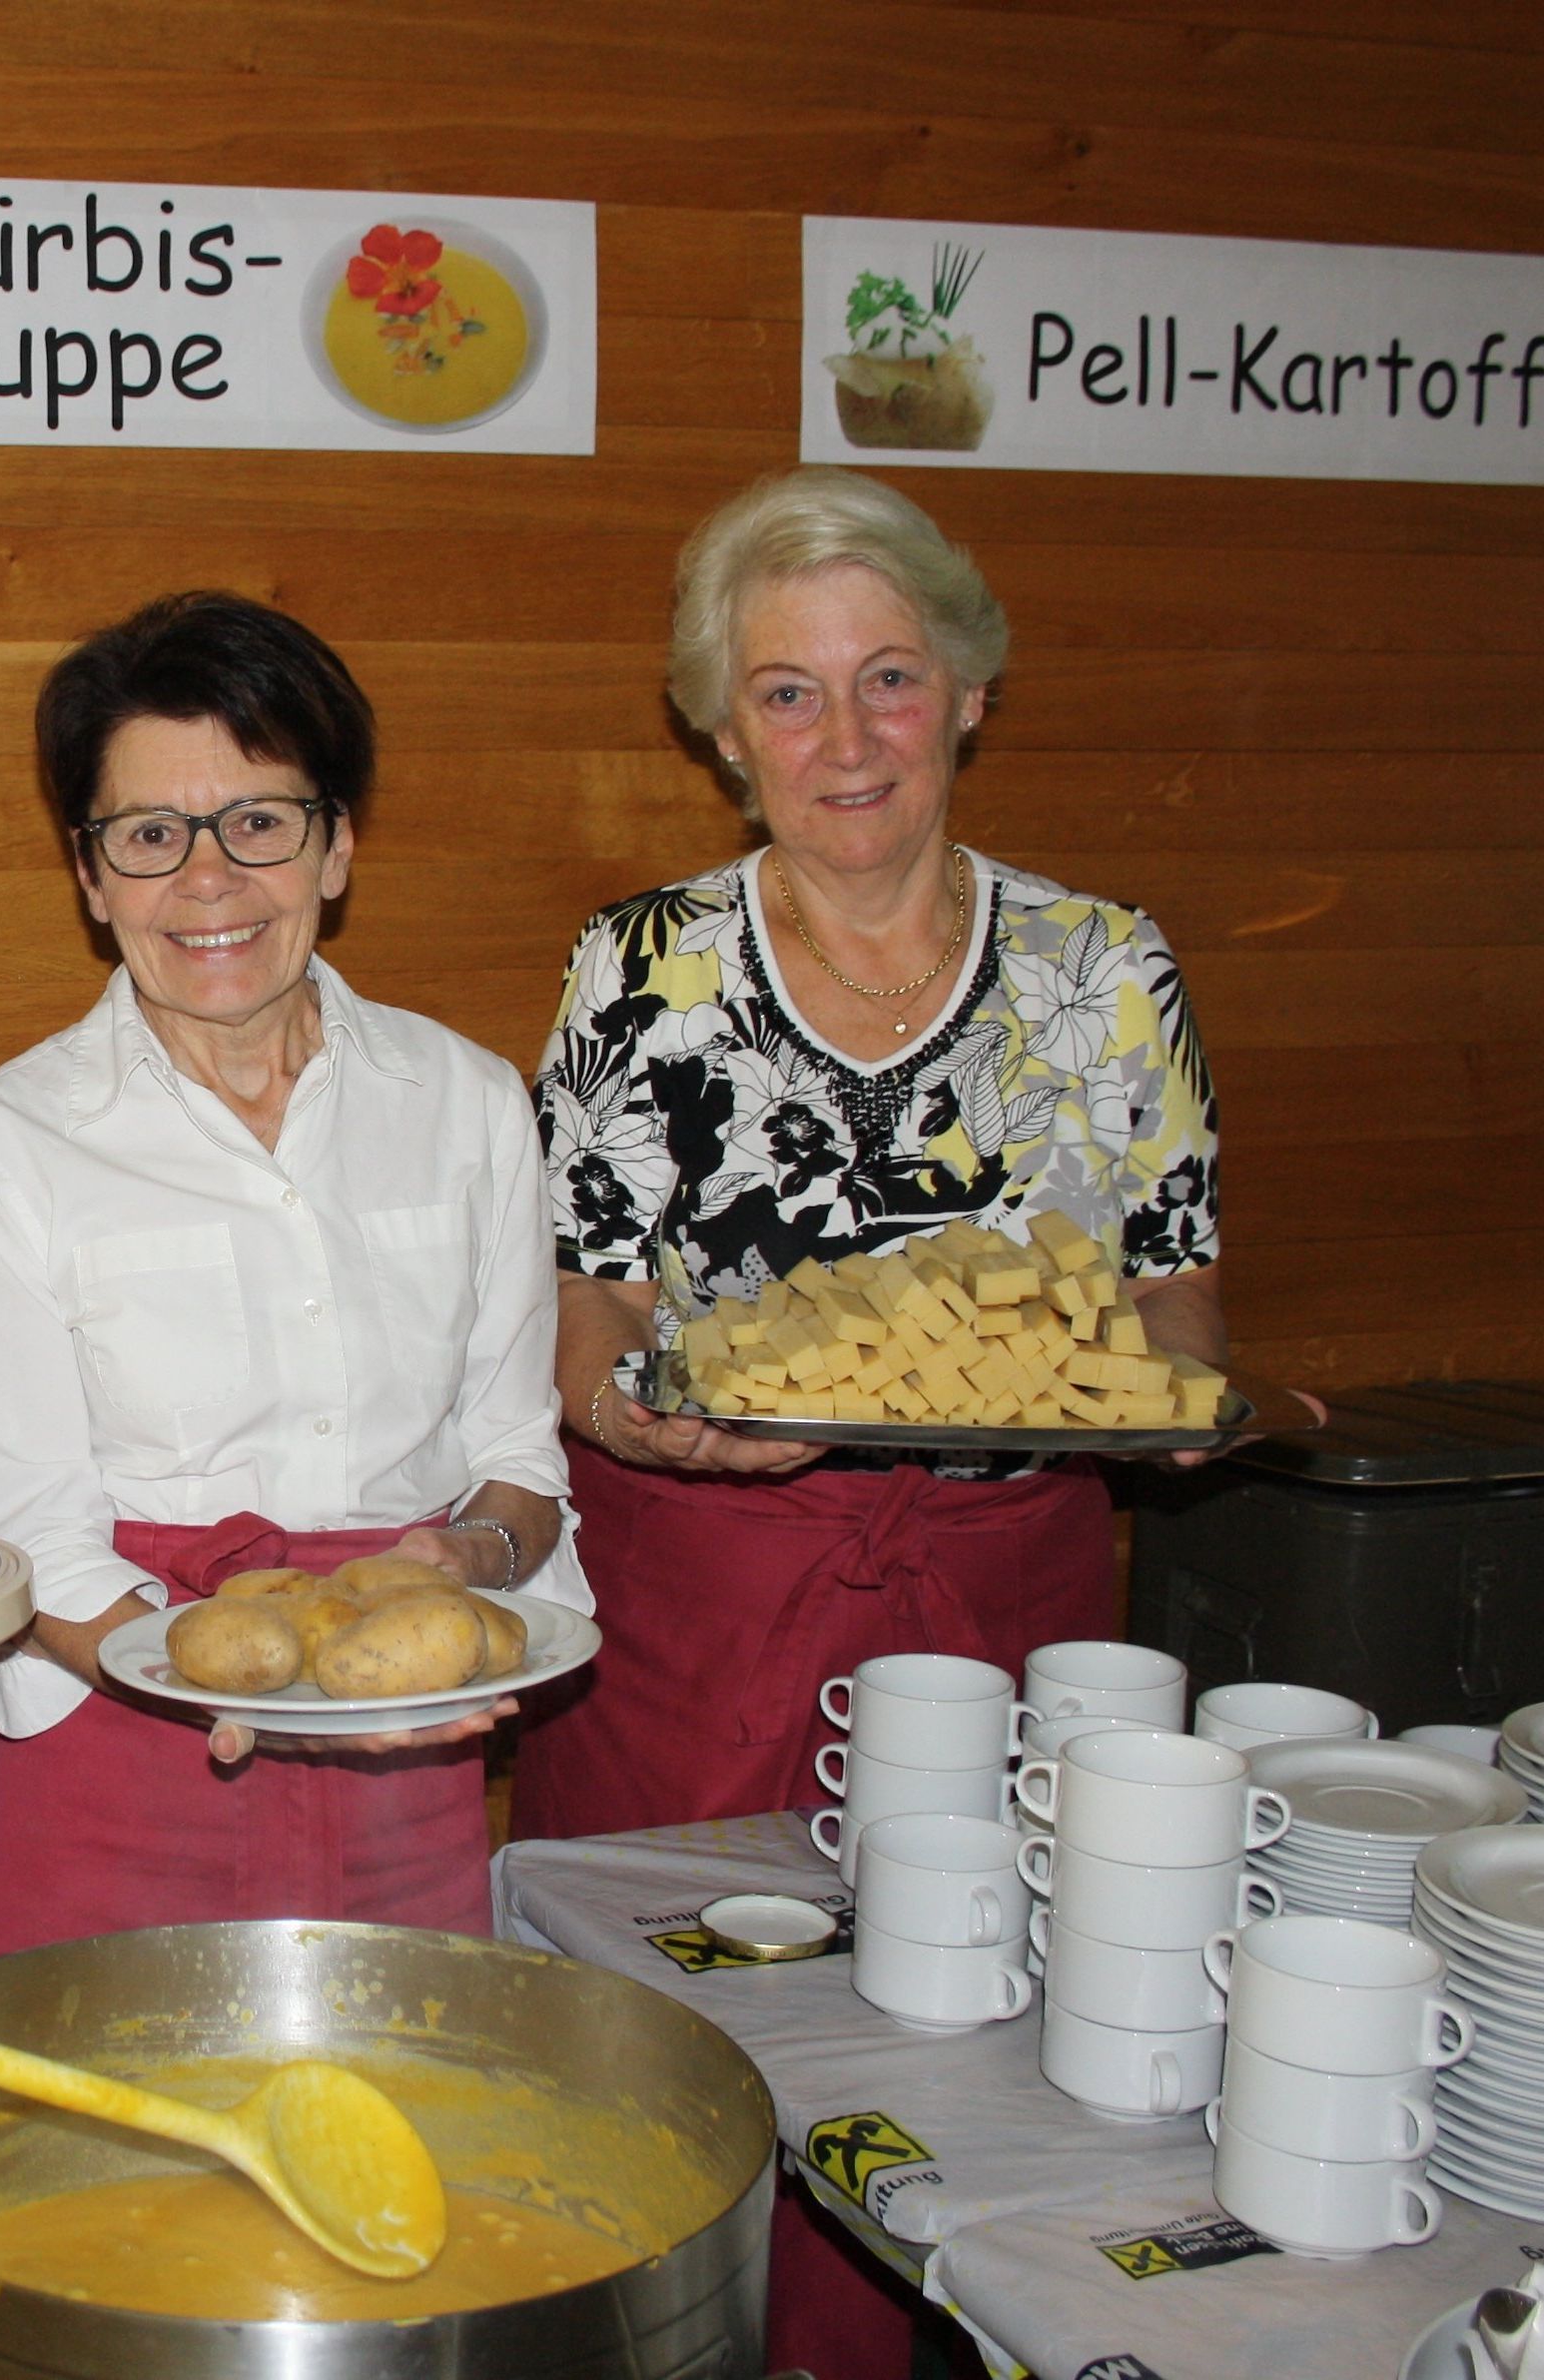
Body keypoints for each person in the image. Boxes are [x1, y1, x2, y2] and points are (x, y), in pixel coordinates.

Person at [508, 465, 1227, 2380]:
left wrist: (1164, 1412)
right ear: (721, 732)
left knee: (978, 2054)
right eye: (789, 693)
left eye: (889, 677)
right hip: (702, 1599)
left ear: (970, 691)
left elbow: (1172, 1297)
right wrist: (638, 1423)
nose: (846, 738)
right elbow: (585, 1310)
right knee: (681, 2064)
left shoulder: (1100, 968)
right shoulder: (636, 969)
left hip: (1010, 1601)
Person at [0, 590, 581, 1965]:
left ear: (335, 845)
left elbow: (517, 1452)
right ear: (89, 877)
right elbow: (35, 1537)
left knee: (406, 2145)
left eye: (259, 823)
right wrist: (209, 1670)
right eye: (150, 836)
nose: (206, 881)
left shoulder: (464, 1103)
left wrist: (477, 1559)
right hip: (117, 1719)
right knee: (100, 2162)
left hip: (406, 1725)